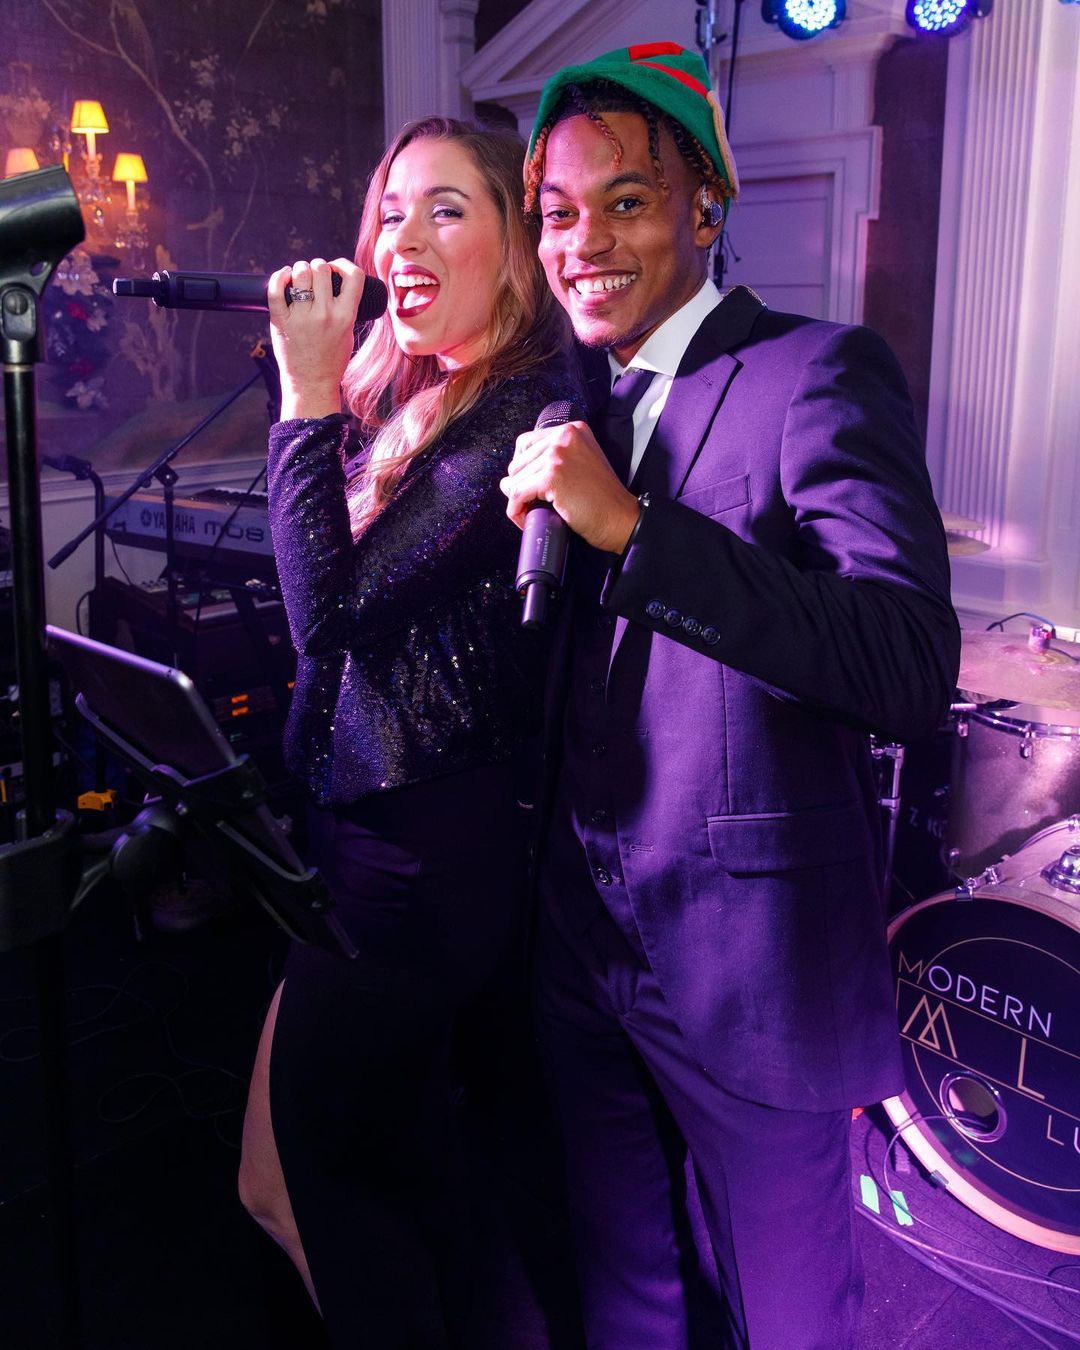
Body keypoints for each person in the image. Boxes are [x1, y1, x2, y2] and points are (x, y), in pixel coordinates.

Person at [500, 43, 961, 1349]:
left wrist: (639, 534)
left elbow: (906, 662)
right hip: (583, 946)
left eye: (626, 201)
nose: (582, 244)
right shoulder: (573, 403)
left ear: (707, 203)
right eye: (559, 214)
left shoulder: (817, 371)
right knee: (628, 1288)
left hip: (751, 969)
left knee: (790, 1313)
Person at [237, 116, 577, 1348]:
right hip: (353, 838)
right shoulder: (418, 393)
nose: (404, 239)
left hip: (419, 859)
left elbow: (328, 615)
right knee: (338, 1179)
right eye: (391, 211)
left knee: (305, 1184)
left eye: (446, 209)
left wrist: (305, 395)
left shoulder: (524, 411)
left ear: (514, 245)